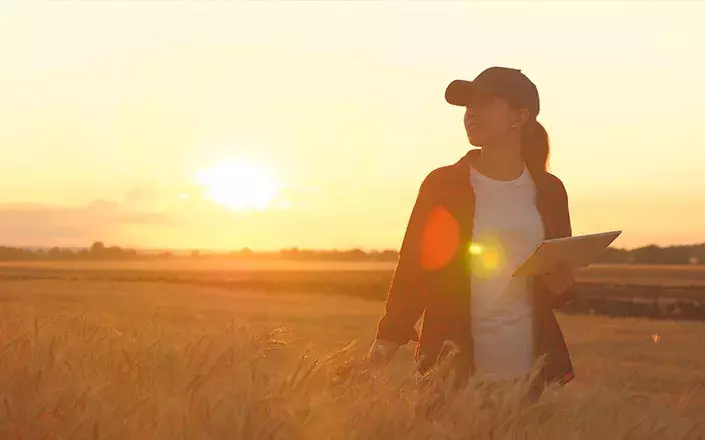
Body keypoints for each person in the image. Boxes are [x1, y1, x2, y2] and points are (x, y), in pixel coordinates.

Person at [367, 67, 576, 395]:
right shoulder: (444, 184)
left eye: (485, 103)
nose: (471, 113)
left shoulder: (550, 190)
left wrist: (561, 285)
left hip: (533, 371)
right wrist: (385, 343)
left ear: (519, 117)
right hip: (451, 367)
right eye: (468, 106)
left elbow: (557, 278)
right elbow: (414, 268)